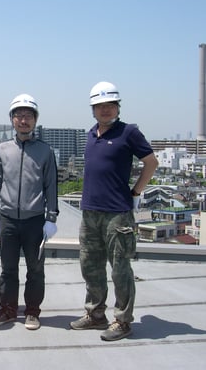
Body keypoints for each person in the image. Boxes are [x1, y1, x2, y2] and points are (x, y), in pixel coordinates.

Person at [70, 81, 158, 341]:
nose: (105, 109)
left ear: (118, 107)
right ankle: (96, 314)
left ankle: (122, 320)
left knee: (120, 269)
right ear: (93, 109)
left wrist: (136, 192)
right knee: (90, 265)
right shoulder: (91, 134)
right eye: (100, 106)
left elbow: (151, 162)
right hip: (90, 211)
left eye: (110, 105)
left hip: (117, 213)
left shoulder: (129, 132)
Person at [0, 94, 59, 331]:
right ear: (12, 120)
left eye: (28, 116)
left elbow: (51, 185)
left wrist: (51, 218)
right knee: (8, 269)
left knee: (35, 270)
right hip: (8, 219)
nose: (23, 120)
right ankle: (8, 309)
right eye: (18, 116)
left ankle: (32, 311)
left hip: (35, 220)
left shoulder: (45, 151)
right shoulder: (2, 149)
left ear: (35, 119)